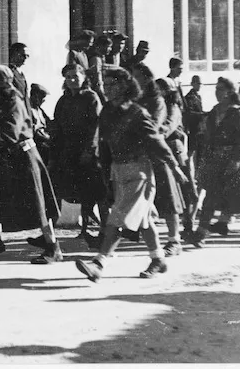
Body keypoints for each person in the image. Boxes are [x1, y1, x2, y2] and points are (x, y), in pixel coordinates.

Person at [75, 68, 188, 282]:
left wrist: (174, 167)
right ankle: (158, 259)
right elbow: (105, 143)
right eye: (105, 85)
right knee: (143, 220)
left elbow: (156, 142)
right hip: (118, 171)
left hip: (139, 172)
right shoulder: (108, 110)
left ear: (125, 86)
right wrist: (106, 172)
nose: (107, 89)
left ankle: (99, 263)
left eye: (112, 84)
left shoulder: (137, 112)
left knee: (118, 217)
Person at [0, 65, 62, 267]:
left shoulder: (14, 101)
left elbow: (10, 132)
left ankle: (53, 247)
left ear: (4, 82)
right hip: (1, 157)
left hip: (22, 158)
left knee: (37, 206)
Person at [190, 78, 240, 249]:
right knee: (211, 196)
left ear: (230, 92)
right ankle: (200, 234)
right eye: (216, 88)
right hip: (219, 161)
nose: (217, 92)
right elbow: (209, 137)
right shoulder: (215, 112)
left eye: (221, 89)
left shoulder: (239, 113)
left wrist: (236, 161)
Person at [46, 64, 109, 243]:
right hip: (68, 151)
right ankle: (81, 229)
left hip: (88, 153)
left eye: (75, 76)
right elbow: (57, 125)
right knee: (75, 192)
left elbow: (96, 126)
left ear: (83, 76)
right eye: (68, 77)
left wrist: (89, 150)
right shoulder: (63, 100)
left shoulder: (91, 98)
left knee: (97, 193)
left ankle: (105, 231)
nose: (72, 80)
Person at [132, 64, 186, 253]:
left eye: (137, 76)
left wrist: (143, 136)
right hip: (141, 154)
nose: (134, 80)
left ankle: (174, 240)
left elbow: (161, 127)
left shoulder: (160, 102)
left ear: (147, 78)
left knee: (168, 198)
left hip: (159, 152)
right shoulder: (135, 99)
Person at [156, 77, 198, 252]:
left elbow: (168, 127)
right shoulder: (157, 107)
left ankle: (182, 231)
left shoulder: (173, 108)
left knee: (179, 191)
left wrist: (152, 132)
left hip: (174, 150)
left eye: (160, 89)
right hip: (162, 149)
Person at [29, 83, 52, 166]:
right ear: (35, 96)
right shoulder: (28, 109)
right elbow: (32, 129)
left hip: (45, 141)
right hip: (37, 144)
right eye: (42, 98)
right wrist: (48, 139)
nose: (43, 101)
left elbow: (49, 123)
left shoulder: (39, 109)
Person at [86, 35, 113, 103]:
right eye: (109, 46)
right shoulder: (96, 59)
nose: (110, 49)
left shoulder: (100, 58)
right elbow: (97, 79)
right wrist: (103, 96)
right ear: (100, 46)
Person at [9, 42, 32, 116]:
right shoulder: (9, 73)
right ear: (14, 54)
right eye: (23, 55)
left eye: (27, 56)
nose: (25, 58)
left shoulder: (20, 74)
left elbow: (25, 98)